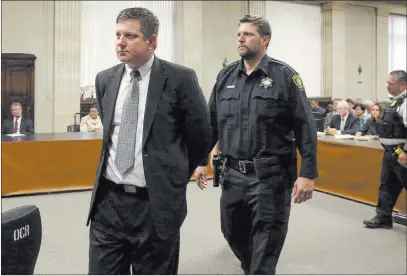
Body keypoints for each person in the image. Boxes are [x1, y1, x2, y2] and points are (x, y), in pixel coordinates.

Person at [86, 7, 211, 274]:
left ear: (152, 42)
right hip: (108, 203)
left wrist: (173, 177)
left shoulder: (180, 79)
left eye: (130, 36)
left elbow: (201, 136)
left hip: (155, 208)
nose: (120, 42)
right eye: (118, 34)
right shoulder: (105, 79)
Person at [194, 15, 318, 275]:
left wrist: (307, 173)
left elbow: (305, 127)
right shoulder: (226, 75)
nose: (240, 38)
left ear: (265, 40)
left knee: (267, 240)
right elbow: (211, 124)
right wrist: (199, 161)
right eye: (239, 33)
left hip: (270, 177)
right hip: (232, 175)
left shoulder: (285, 76)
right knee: (231, 231)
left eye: (248, 34)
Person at [364, 70, 407, 229]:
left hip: (401, 153)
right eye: (387, 82)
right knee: (387, 185)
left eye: (391, 83)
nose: (387, 86)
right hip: (390, 153)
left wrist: (405, 152)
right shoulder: (395, 101)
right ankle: (383, 217)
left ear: (403, 85)